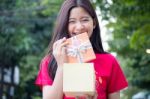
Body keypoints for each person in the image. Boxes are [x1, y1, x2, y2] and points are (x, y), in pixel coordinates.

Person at [35, 0, 128, 99]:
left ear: (94, 23)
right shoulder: (49, 62)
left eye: (84, 20)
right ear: (64, 25)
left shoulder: (109, 61)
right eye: (72, 21)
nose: (79, 27)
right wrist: (61, 66)